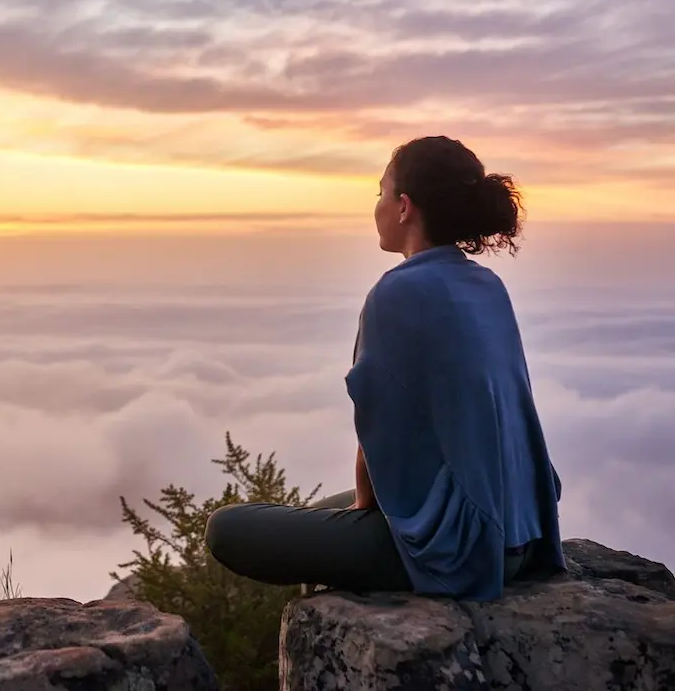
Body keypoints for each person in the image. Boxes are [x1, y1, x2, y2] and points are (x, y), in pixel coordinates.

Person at [204, 136, 566, 601]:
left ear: (404, 207)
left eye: (380, 193)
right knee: (315, 513)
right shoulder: (486, 284)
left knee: (228, 529)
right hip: (521, 531)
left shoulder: (397, 293)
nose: (375, 206)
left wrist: (368, 513)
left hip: (464, 550)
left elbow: (379, 436)